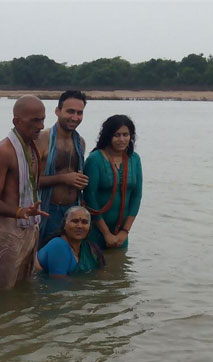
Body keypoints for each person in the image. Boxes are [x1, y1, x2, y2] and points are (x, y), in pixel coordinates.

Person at [0, 95, 49, 290]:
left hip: (31, 226)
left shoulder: (33, 147)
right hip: (8, 230)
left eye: (43, 119)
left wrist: (28, 214)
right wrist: (19, 212)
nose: (41, 126)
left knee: (24, 287)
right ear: (17, 121)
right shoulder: (4, 150)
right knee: (2, 290)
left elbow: (35, 186)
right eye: (35, 120)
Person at [36, 90, 89, 249]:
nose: (75, 117)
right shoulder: (41, 139)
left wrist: (80, 181)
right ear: (57, 111)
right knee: (42, 259)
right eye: (70, 111)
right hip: (48, 210)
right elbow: (29, 182)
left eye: (79, 113)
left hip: (73, 212)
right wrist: (64, 178)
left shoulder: (80, 142)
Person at [83, 115, 143, 251]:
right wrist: (106, 234)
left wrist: (125, 231)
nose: (122, 139)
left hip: (121, 234)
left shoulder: (135, 159)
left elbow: (136, 196)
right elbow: (89, 198)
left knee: (120, 270)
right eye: (116, 135)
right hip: (95, 231)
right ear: (108, 136)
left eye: (125, 135)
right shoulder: (95, 159)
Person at [36, 206, 105, 276]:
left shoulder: (91, 249)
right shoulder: (59, 245)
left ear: (89, 227)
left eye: (84, 222)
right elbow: (58, 282)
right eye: (75, 221)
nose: (80, 226)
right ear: (64, 225)